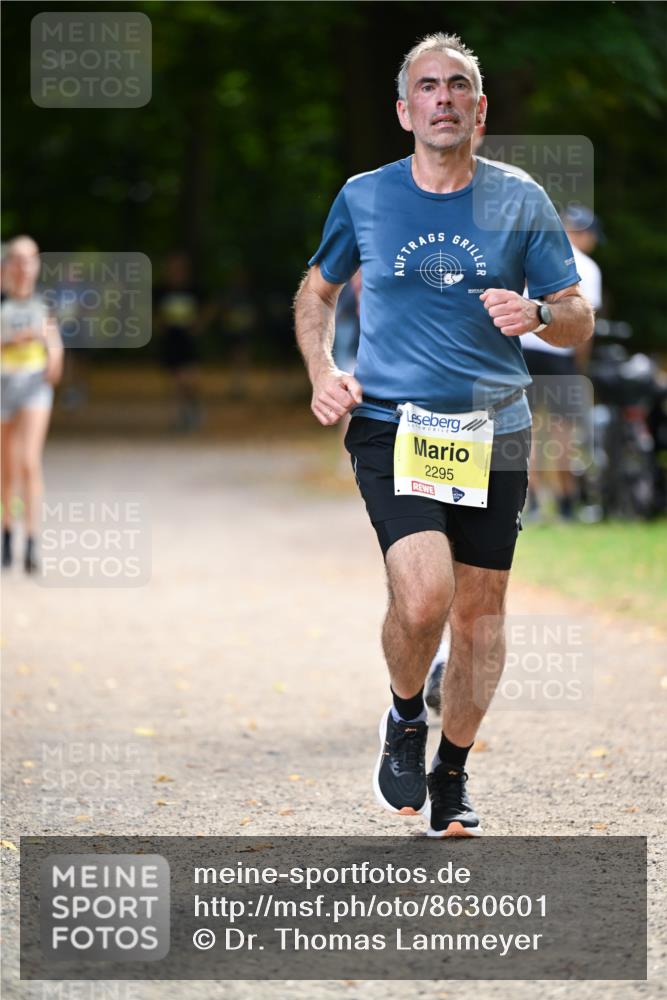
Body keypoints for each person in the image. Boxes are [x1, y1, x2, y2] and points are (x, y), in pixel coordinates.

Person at [294, 32, 593, 837]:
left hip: (494, 430)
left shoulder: (518, 198)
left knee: (478, 617)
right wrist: (325, 371)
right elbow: (315, 294)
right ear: (404, 109)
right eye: (427, 86)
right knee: (424, 598)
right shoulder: (364, 196)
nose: (443, 98)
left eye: (458, 85)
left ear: (479, 108)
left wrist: (535, 313)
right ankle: (402, 716)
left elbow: (575, 316)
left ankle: (452, 774)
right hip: (392, 423)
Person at [521, 205, 603, 520]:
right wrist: (579, 366)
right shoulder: (587, 267)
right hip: (559, 353)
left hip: (524, 349)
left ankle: (533, 499)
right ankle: (568, 500)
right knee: (562, 430)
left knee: (527, 429)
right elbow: (584, 327)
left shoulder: (532, 254)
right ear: (584, 234)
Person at [1, 235, 63, 572]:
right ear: (7, 264)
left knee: (28, 461)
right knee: (5, 469)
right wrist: (15, 339)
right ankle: (6, 533)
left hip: (33, 387)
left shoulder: (45, 303)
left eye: (30, 259)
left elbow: (55, 348)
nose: (24, 266)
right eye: (17, 259)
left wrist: (54, 355)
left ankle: (33, 540)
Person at [153, 252, 207, 432]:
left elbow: (209, 307)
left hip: (188, 341)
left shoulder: (193, 289)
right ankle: (179, 417)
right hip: (170, 341)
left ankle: (193, 407)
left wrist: (199, 324)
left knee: (189, 380)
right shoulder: (161, 291)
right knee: (175, 381)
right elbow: (153, 313)